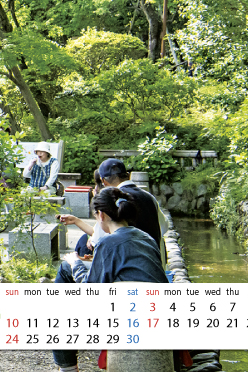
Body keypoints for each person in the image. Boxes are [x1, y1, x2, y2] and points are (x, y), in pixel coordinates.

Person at [52, 186, 167, 372]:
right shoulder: (146, 238)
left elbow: (93, 291)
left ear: (101, 215)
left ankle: (67, 367)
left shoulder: (108, 242)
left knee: (65, 276)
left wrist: (75, 264)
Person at [95, 158, 166, 262]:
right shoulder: (149, 197)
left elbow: (97, 240)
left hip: (124, 267)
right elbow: (164, 227)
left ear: (103, 181)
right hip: (154, 264)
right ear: (128, 175)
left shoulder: (109, 200)